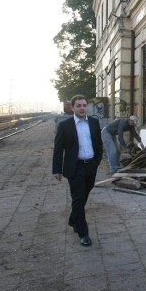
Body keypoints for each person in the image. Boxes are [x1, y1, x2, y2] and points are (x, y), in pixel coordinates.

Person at [53, 95, 104, 247]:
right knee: (78, 198)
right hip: (75, 167)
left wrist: (96, 162)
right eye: (79, 105)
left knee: (83, 196)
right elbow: (58, 149)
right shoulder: (65, 125)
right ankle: (83, 233)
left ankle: (73, 218)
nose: (82, 108)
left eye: (84, 105)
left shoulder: (94, 122)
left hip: (91, 166)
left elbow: (98, 144)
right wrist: (57, 169)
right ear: (72, 108)